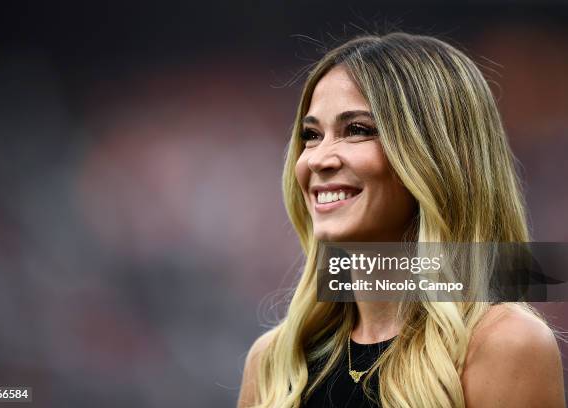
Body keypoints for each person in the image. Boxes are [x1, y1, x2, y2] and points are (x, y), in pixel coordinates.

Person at [237, 32, 565, 407]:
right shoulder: (274, 363)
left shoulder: (505, 344)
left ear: (437, 157)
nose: (317, 159)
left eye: (357, 130)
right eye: (311, 135)